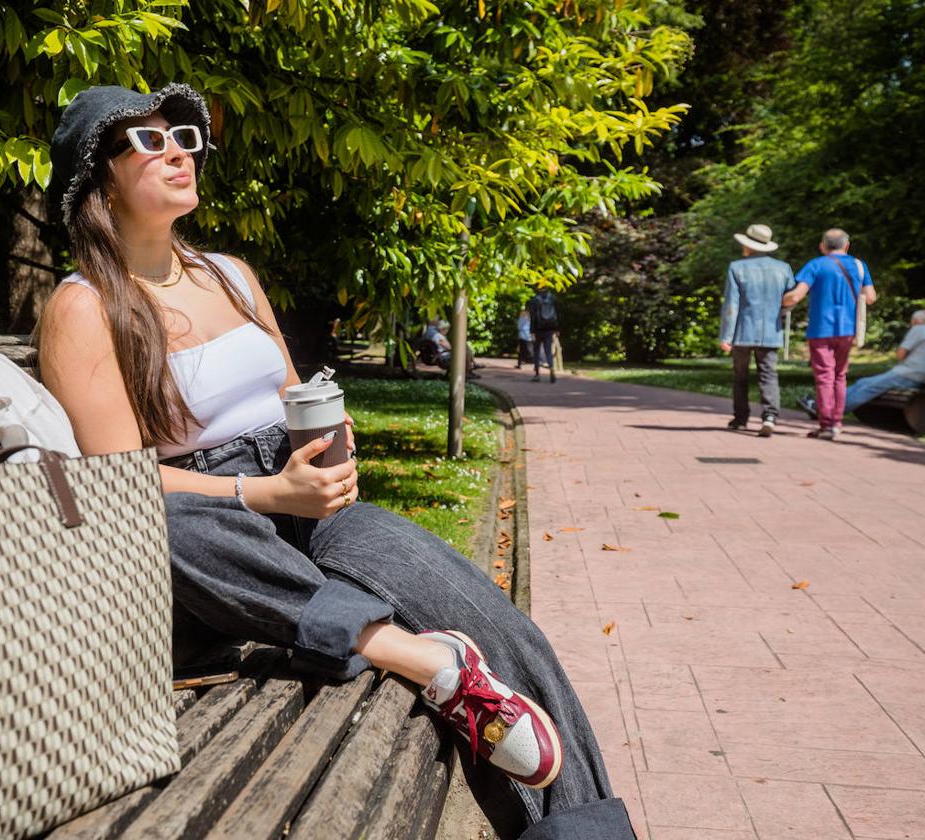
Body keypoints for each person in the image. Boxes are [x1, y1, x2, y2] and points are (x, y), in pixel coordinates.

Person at [39, 83, 634, 838]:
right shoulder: (82, 307)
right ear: (98, 176)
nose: (181, 150)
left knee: (507, 632)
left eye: (183, 134)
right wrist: (265, 491)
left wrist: (326, 436)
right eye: (149, 141)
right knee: (168, 519)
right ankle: (413, 656)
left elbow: (293, 394)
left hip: (303, 506)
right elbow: (118, 481)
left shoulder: (230, 274)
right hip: (212, 535)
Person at [782, 228, 877, 440]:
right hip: (847, 329)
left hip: (820, 329)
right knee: (840, 376)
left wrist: (780, 302)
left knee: (825, 376)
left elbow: (796, 296)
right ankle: (837, 423)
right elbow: (870, 297)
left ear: (822, 246)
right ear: (847, 245)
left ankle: (826, 425)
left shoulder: (815, 265)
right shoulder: (859, 266)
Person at [718, 223, 796, 436]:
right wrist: (779, 313)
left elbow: (731, 304)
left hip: (742, 331)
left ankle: (740, 418)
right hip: (771, 331)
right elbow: (792, 298)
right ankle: (770, 416)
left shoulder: (737, 267)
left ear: (748, 247)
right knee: (769, 374)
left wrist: (726, 336)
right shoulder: (783, 268)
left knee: (740, 376)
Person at [798, 309, 925, 418]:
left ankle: (826, 411)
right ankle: (824, 403)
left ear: (916, 321)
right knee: (863, 382)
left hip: (907, 373)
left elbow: (900, 354)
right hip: (915, 375)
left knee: (867, 387)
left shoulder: (919, 329)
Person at [528, 289, 559, 383]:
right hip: (549, 329)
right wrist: (557, 329)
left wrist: (532, 331)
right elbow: (557, 314)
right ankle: (552, 368)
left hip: (538, 329)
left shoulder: (535, 300)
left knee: (536, 352)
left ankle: (537, 374)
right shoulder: (553, 298)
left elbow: (533, 316)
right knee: (548, 351)